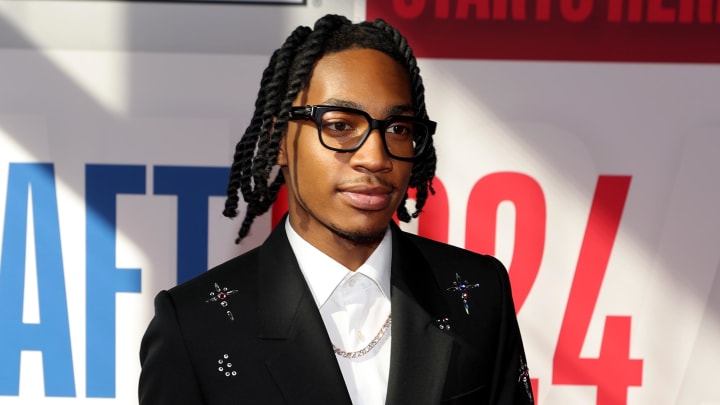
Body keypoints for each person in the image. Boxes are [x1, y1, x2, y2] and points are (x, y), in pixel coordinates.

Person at [139, 14, 534, 405]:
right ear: (280, 140)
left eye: (398, 128)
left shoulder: (479, 293)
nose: (375, 157)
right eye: (340, 126)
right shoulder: (194, 325)